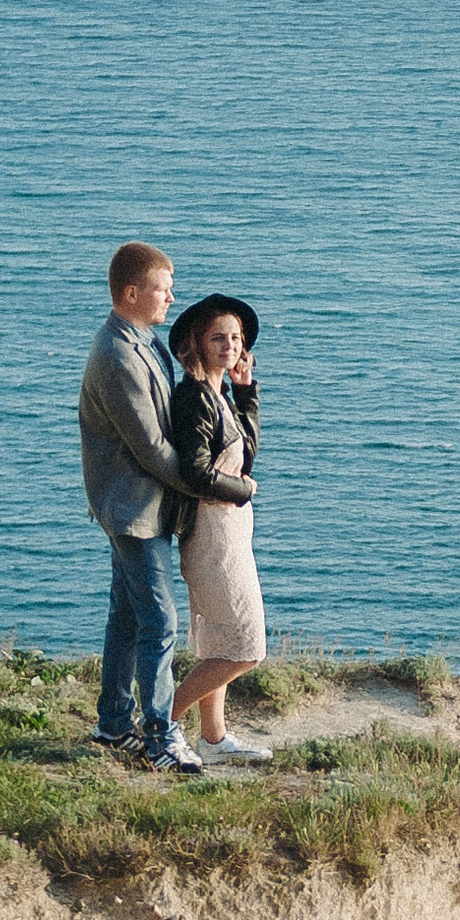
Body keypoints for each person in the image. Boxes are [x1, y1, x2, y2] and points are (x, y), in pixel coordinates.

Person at [78, 243, 239, 770]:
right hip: (134, 510)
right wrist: (209, 485)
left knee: (126, 617)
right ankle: (161, 737)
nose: (171, 295)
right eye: (161, 288)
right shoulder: (118, 355)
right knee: (160, 622)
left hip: (139, 506)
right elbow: (152, 448)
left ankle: (112, 722)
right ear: (131, 293)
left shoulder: (144, 342)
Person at [166, 293, 273, 764]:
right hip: (212, 534)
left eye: (235, 337)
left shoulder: (218, 392)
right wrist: (243, 492)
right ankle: (160, 723)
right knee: (246, 647)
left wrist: (246, 391)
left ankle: (213, 740)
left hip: (229, 533)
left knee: (218, 642)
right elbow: (194, 471)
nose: (230, 345)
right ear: (198, 343)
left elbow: (244, 452)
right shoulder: (194, 397)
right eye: (218, 338)